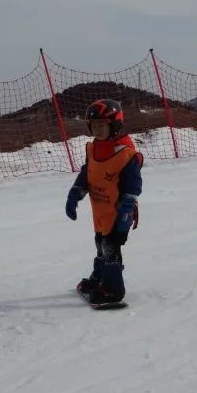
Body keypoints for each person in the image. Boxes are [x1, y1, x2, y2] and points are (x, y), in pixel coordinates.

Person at [64, 99, 143, 304]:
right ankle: (99, 277)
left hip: (119, 212)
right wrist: (75, 193)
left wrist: (128, 205)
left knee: (110, 246)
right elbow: (88, 173)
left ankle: (113, 289)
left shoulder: (126, 154)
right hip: (100, 211)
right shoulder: (94, 149)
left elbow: (133, 184)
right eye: (94, 125)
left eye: (102, 125)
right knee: (100, 242)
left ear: (115, 125)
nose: (97, 129)